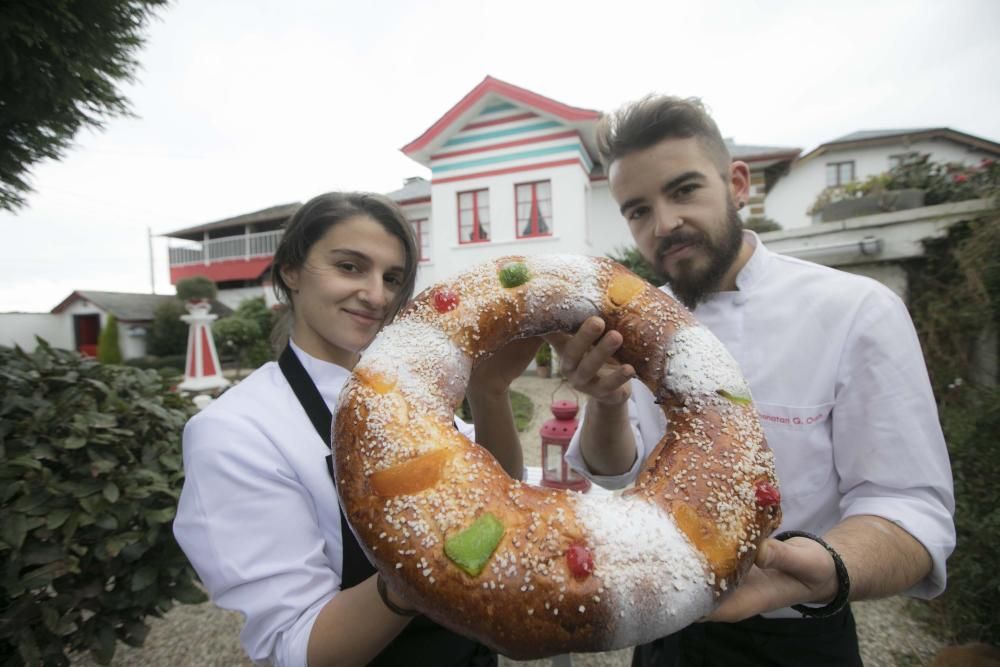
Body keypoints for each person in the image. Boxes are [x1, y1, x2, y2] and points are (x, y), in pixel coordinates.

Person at [553, 96, 956, 666]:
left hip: (801, 633)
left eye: (684, 190)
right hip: (668, 632)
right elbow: (619, 473)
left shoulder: (857, 310)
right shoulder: (637, 325)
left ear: (737, 183)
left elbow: (910, 506)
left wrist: (822, 569)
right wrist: (609, 401)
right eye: (638, 210)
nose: (665, 223)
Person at [174, 192, 533, 667]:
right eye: (349, 266)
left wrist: (490, 391)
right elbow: (298, 648)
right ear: (291, 271)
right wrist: (421, 566)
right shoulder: (237, 431)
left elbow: (500, 501)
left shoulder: (412, 397)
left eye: (392, 278)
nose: (376, 294)